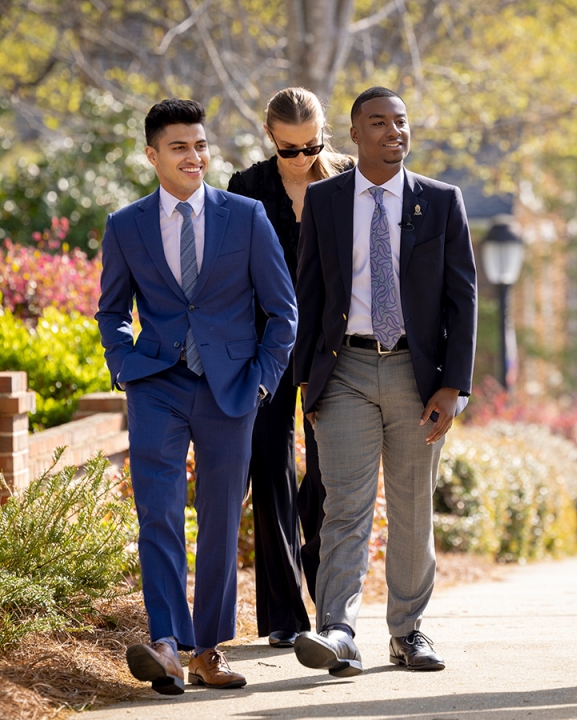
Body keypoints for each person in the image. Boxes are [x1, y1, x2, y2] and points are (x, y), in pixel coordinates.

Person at [96, 98, 297, 694]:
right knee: (157, 512)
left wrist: (263, 376)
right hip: (156, 385)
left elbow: (282, 309)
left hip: (230, 387)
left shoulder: (247, 215)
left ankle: (207, 649)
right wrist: (125, 364)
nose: (194, 155)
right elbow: (111, 310)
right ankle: (165, 642)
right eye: (179, 146)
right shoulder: (125, 225)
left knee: (218, 519)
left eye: (201, 144)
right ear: (152, 154)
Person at [292, 86, 477, 676]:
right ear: (354, 135)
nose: (394, 131)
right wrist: (308, 384)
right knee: (344, 505)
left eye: (401, 122)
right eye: (379, 122)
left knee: (411, 507)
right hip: (343, 370)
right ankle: (338, 629)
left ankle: (408, 631)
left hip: (416, 377)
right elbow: (309, 292)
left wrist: (455, 385)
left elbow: (461, 299)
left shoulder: (440, 201)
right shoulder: (324, 202)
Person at [227, 87, 354, 648]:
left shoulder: (352, 178)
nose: (302, 158)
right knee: (269, 465)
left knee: (328, 472)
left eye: (311, 146)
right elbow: (235, 276)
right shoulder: (247, 187)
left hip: (335, 344)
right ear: (269, 139)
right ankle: (283, 614)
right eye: (289, 150)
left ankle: (324, 588)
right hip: (266, 342)